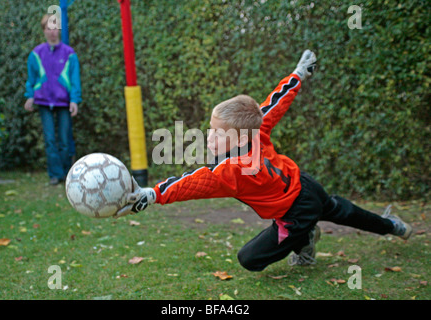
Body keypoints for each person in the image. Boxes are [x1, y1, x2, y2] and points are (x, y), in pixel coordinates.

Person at [114, 50, 412, 271]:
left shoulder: (231, 172)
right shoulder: (257, 129)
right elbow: (274, 103)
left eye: (217, 133)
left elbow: (194, 182)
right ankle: (392, 226)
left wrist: (152, 194)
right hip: (307, 185)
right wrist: (298, 75)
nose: (209, 137)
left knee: (250, 260)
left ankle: (304, 237)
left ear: (240, 139)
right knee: (344, 212)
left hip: (294, 212)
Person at [24, 14, 82, 185]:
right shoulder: (36, 54)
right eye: (48, 28)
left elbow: (74, 79)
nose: (52, 32)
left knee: (65, 139)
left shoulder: (69, 54)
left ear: (59, 30)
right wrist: (29, 96)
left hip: (63, 102)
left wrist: (74, 100)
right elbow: (32, 78)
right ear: (44, 31)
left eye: (55, 27)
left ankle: (66, 174)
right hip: (43, 102)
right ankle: (55, 175)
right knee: (50, 139)